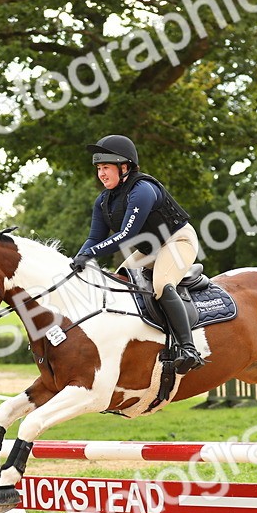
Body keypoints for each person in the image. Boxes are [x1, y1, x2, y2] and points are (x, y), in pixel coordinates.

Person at [71, 134, 205, 373]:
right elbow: (94, 238)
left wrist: (89, 254)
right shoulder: (103, 201)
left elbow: (126, 235)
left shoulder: (142, 189)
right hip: (150, 248)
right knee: (120, 280)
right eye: (99, 168)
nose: (101, 174)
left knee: (162, 284)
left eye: (106, 168)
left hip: (177, 241)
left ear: (124, 167)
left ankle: (188, 349)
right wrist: (76, 261)